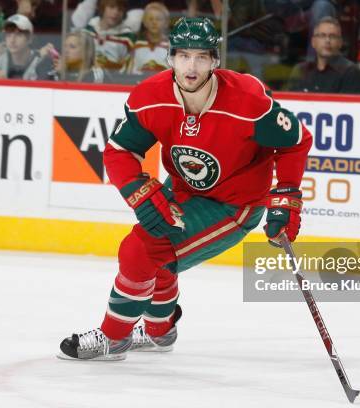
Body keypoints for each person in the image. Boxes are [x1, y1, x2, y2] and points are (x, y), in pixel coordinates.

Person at [58, 17, 312, 361]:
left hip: (234, 206)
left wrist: (286, 196)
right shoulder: (151, 96)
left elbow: (296, 141)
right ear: (171, 57)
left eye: (201, 57)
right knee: (157, 254)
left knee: (140, 250)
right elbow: (120, 151)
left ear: (215, 60)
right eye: (183, 56)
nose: (191, 66)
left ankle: (114, 336)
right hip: (181, 189)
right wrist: (139, 192)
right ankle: (159, 332)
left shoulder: (248, 101)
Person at [287, 16, 360, 94]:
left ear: (340, 43)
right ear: (313, 42)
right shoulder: (300, 70)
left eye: (332, 36)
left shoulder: (351, 72)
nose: (327, 40)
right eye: (322, 35)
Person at [0, 13, 51, 79]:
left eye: (19, 35)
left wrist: (6, 83)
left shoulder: (41, 62)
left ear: (30, 39)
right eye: (9, 35)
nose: (12, 40)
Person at [85, 0, 136, 72]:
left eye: (120, 9)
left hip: (114, 80)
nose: (115, 13)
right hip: (87, 78)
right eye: (111, 7)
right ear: (102, 8)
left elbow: (129, 69)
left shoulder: (128, 38)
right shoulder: (88, 30)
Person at [40, 30, 106, 82]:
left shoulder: (96, 72)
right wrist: (41, 58)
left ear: (85, 52)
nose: (65, 51)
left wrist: (62, 74)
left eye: (72, 47)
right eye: (65, 46)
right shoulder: (59, 69)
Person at [129, 1, 169, 75]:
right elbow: (131, 71)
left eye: (158, 19)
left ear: (166, 23)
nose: (154, 22)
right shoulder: (136, 45)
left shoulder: (171, 47)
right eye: (150, 19)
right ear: (144, 22)